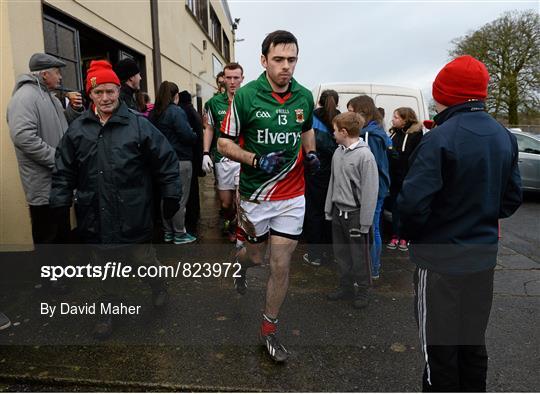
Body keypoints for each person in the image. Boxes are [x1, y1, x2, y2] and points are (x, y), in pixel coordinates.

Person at [397, 55, 522, 391]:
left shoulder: (439, 137)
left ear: (447, 93)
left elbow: (411, 205)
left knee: (439, 352)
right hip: (482, 258)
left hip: (439, 261)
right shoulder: (503, 137)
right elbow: (510, 200)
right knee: (471, 344)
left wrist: (412, 232)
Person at [50, 60, 181, 339]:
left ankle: (158, 286)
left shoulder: (137, 124)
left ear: (118, 90)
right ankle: (106, 313)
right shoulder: (77, 130)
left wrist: (171, 193)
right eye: (99, 93)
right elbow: (64, 168)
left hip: (133, 213)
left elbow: (166, 160)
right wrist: (60, 200)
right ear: (90, 95)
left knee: (144, 261)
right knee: (104, 271)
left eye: (111, 91)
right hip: (95, 215)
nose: (106, 98)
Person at [218, 30, 319, 362]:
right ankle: (242, 266)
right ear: (263, 61)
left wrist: (312, 153)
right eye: (279, 59)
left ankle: (269, 329)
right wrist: (255, 159)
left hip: (293, 195)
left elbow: (306, 132)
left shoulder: (304, 96)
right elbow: (223, 144)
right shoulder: (245, 97)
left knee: (281, 263)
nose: (286, 66)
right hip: (255, 196)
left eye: (291, 60)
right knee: (257, 258)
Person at [7, 53, 84, 293]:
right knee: (48, 235)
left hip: (56, 181)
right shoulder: (26, 97)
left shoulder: (47, 96)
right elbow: (23, 137)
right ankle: (51, 282)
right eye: (57, 71)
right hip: (43, 184)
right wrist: (57, 159)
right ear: (44, 74)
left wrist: (72, 111)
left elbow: (61, 128)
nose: (61, 76)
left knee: (59, 232)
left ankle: (59, 276)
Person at [324, 112, 378, 308]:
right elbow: (333, 180)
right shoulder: (338, 152)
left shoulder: (365, 156)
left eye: (335, 130)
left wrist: (365, 222)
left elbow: (371, 191)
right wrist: (329, 208)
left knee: (359, 257)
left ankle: (363, 290)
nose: (333, 133)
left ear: (344, 132)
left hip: (355, 216)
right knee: (341, 254)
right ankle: (346, 287)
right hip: (338, 213)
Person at [347, 96, 391, 279]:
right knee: (374, 229)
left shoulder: (368, 135)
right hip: (378, 187)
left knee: (371, 230)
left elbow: (368, 166)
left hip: (371, 189)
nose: (348, 114)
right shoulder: (377, 131)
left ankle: (371, 269)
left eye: (350, 110)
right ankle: (373, 268)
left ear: (360, 111)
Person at [150, 81, 197, 244]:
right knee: (180, 198)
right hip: (180, 159)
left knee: (166, 196)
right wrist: (194, 134)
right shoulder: (175, 111)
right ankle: (179, 234)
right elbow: (186, 135)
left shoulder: (154, 113)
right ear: (175, 95)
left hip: (161, 161)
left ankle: (168, 231)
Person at [202, 63, 244, 241]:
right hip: (223, 159)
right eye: (229, 78)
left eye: (236, 77)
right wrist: (205, 153)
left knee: (241, 201)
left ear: (242, 78)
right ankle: (230, 218)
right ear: (223, 79)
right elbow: (209, 128)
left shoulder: (249, 100)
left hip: (244, 158)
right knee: (226, 203)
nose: (232, 82)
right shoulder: (213, 103)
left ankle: (239, 230)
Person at [303, 89, 340, 266]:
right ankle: (331, 253)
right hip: (336, 174)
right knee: (331, 214)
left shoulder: (312, 119)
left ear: (319, 101)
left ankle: (315, 255)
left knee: (314, 213)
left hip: (315, 173)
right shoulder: (341, 119)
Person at [386, 107, 423, 251]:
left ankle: (405, 237)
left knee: (406, 208)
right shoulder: (393, 134)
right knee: (395, 207)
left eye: (396, 117)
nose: (392, 119)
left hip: (409, 179)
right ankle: (395, 235)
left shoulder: (416, 135)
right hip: (394, 178)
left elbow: (415, 158)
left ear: (405, 120)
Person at [178, 90, 205, 236]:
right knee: (193, 188)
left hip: (189, 155)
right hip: (196, 154)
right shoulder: (193, 111)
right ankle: (195, 213)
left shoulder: (183, 112)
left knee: (190, 190)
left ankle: (192, 218)